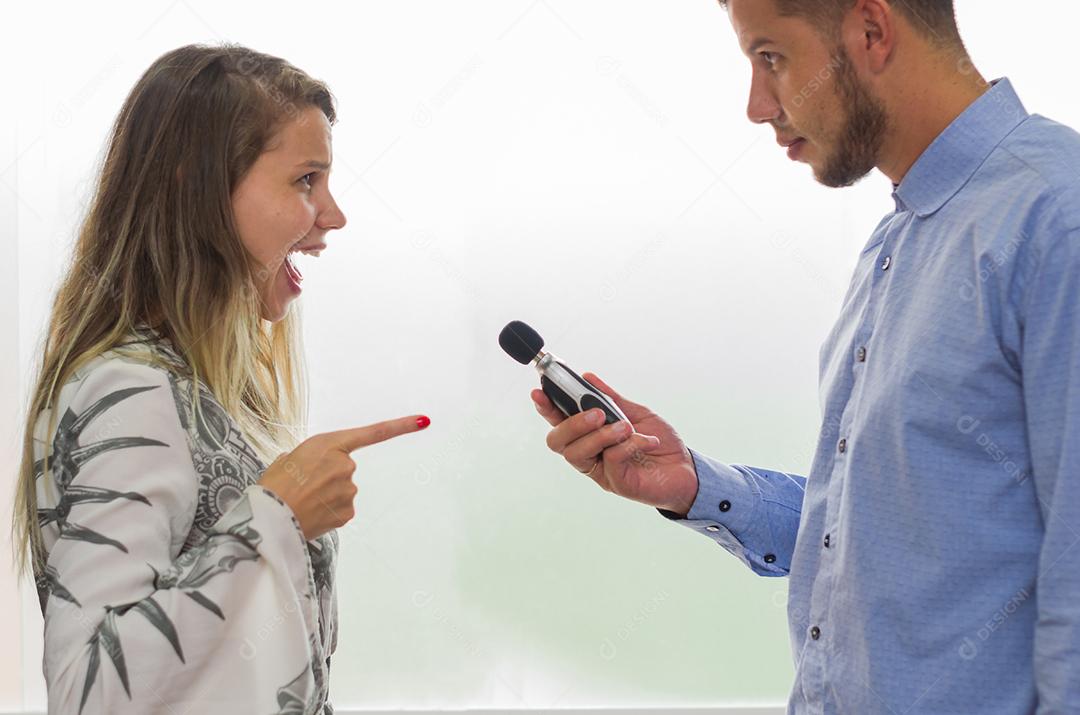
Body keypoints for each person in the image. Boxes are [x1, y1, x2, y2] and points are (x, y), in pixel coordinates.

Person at [531, 1, 1080, 712]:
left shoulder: (1054, 221)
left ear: (871, 31)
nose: (757, 106)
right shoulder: (897, 243)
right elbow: (877, 543)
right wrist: (693, 484)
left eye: (771, 58)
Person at [11, 44, 429, 714]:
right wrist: (277, 511)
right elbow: (87, 691)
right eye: (305, 181)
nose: (333, 214)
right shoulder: (134, 394)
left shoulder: (196, 388)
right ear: (194, 184)